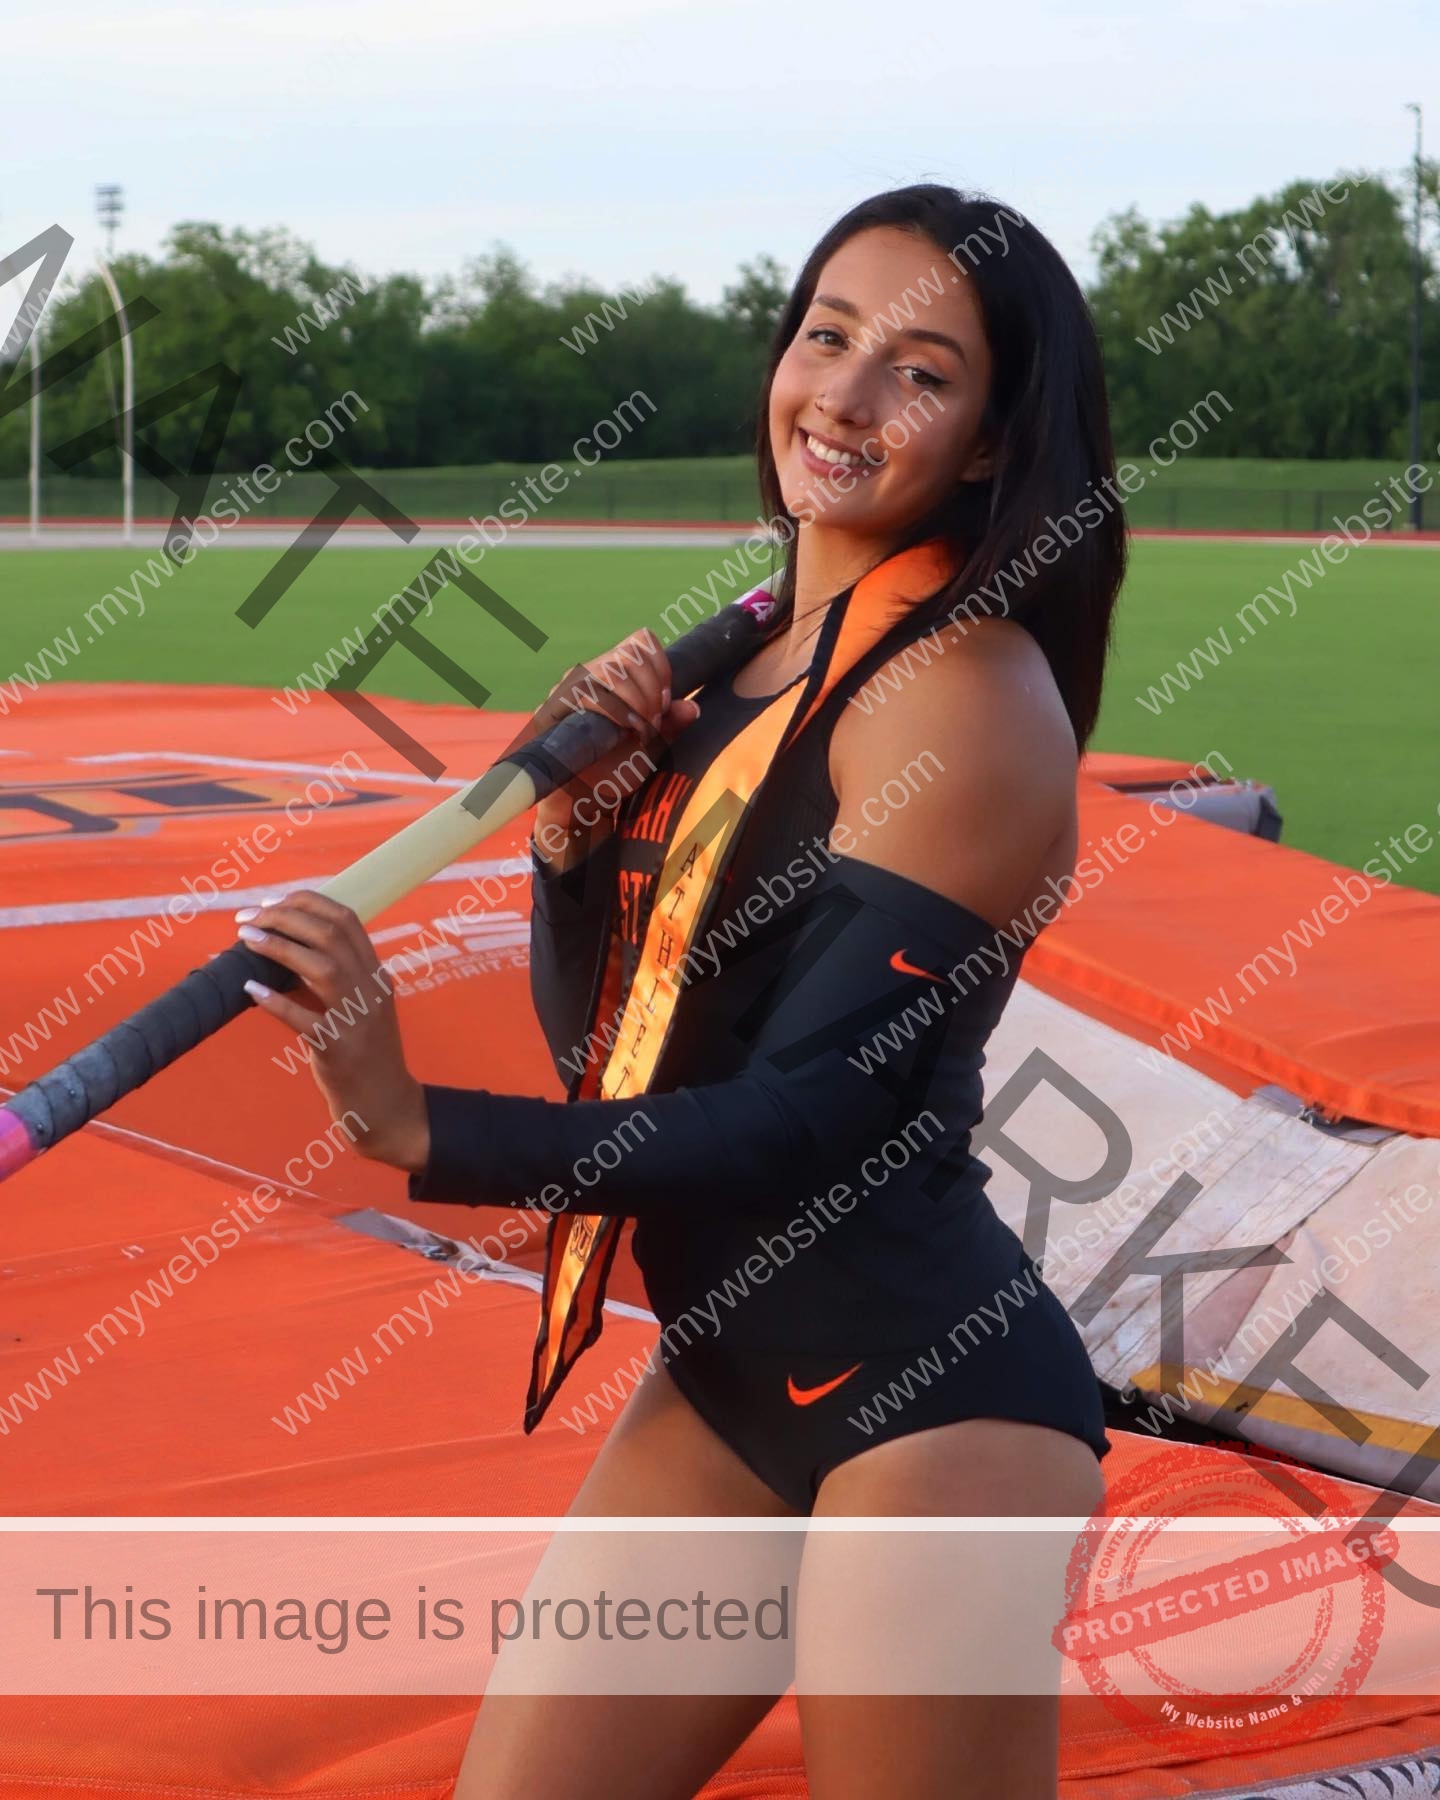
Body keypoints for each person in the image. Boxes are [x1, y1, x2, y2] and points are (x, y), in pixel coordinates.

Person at [236, 183, 1127, 1798]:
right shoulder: (755, 656)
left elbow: (803, 1124)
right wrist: (576, 853)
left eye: (922, 372)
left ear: (994, 443)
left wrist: (411, 1121)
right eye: (826, 336)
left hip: (934, 1397)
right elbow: (622, 1053)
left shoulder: (967, 692)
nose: (845, 397)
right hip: (724, 1367)